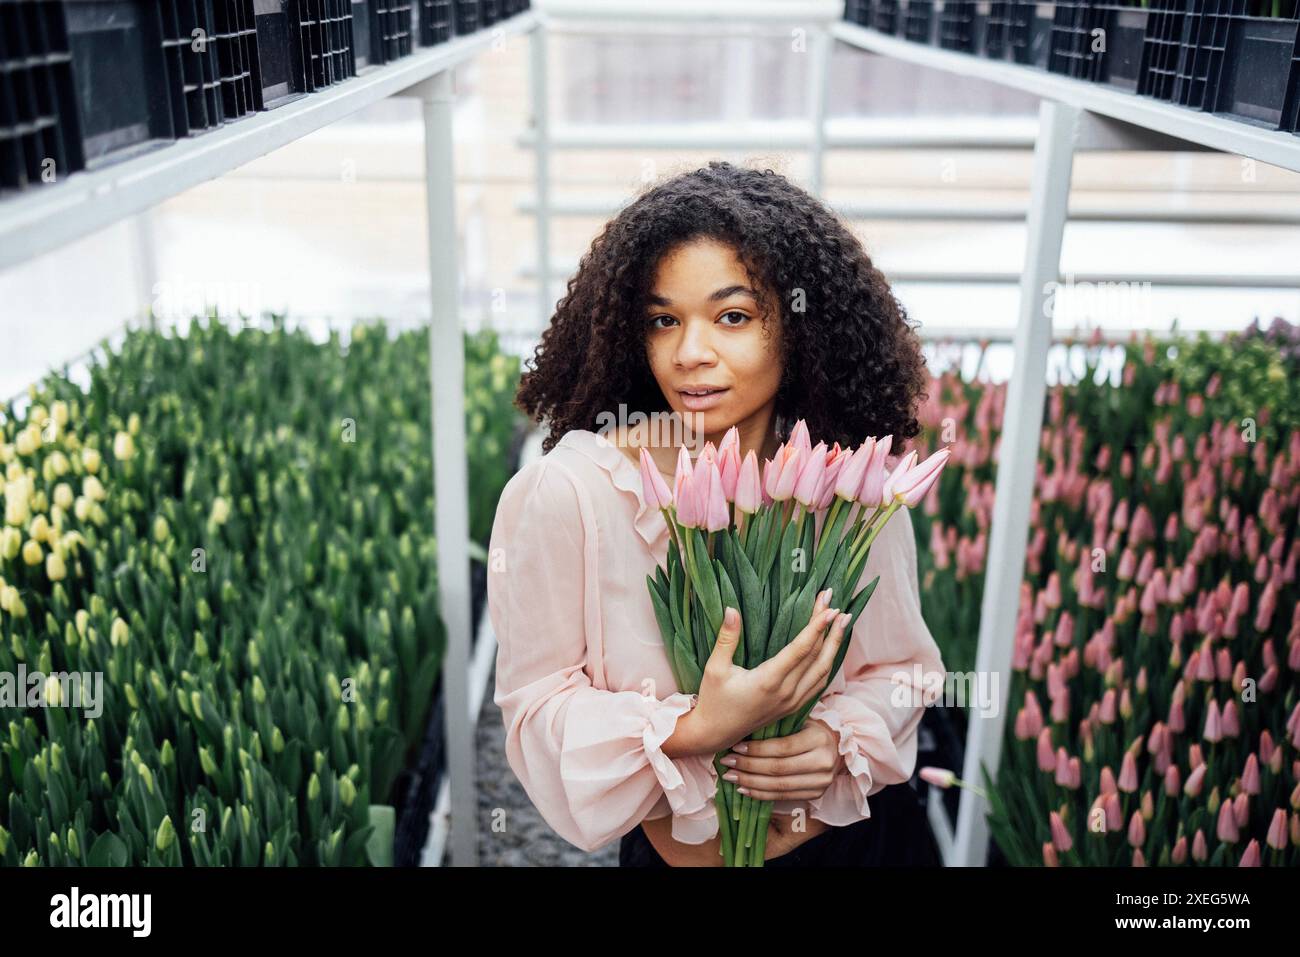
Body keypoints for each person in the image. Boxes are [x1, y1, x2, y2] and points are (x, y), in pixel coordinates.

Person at [487, 160, 946, 866]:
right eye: (663, 320)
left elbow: (903, 671)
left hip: (855, 850)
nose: (689, 353)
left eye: (732, 316)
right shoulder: (573, 493)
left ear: (800, 326)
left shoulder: (848, 486)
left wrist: (834, 741)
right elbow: (535, 706)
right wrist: (695, 727)